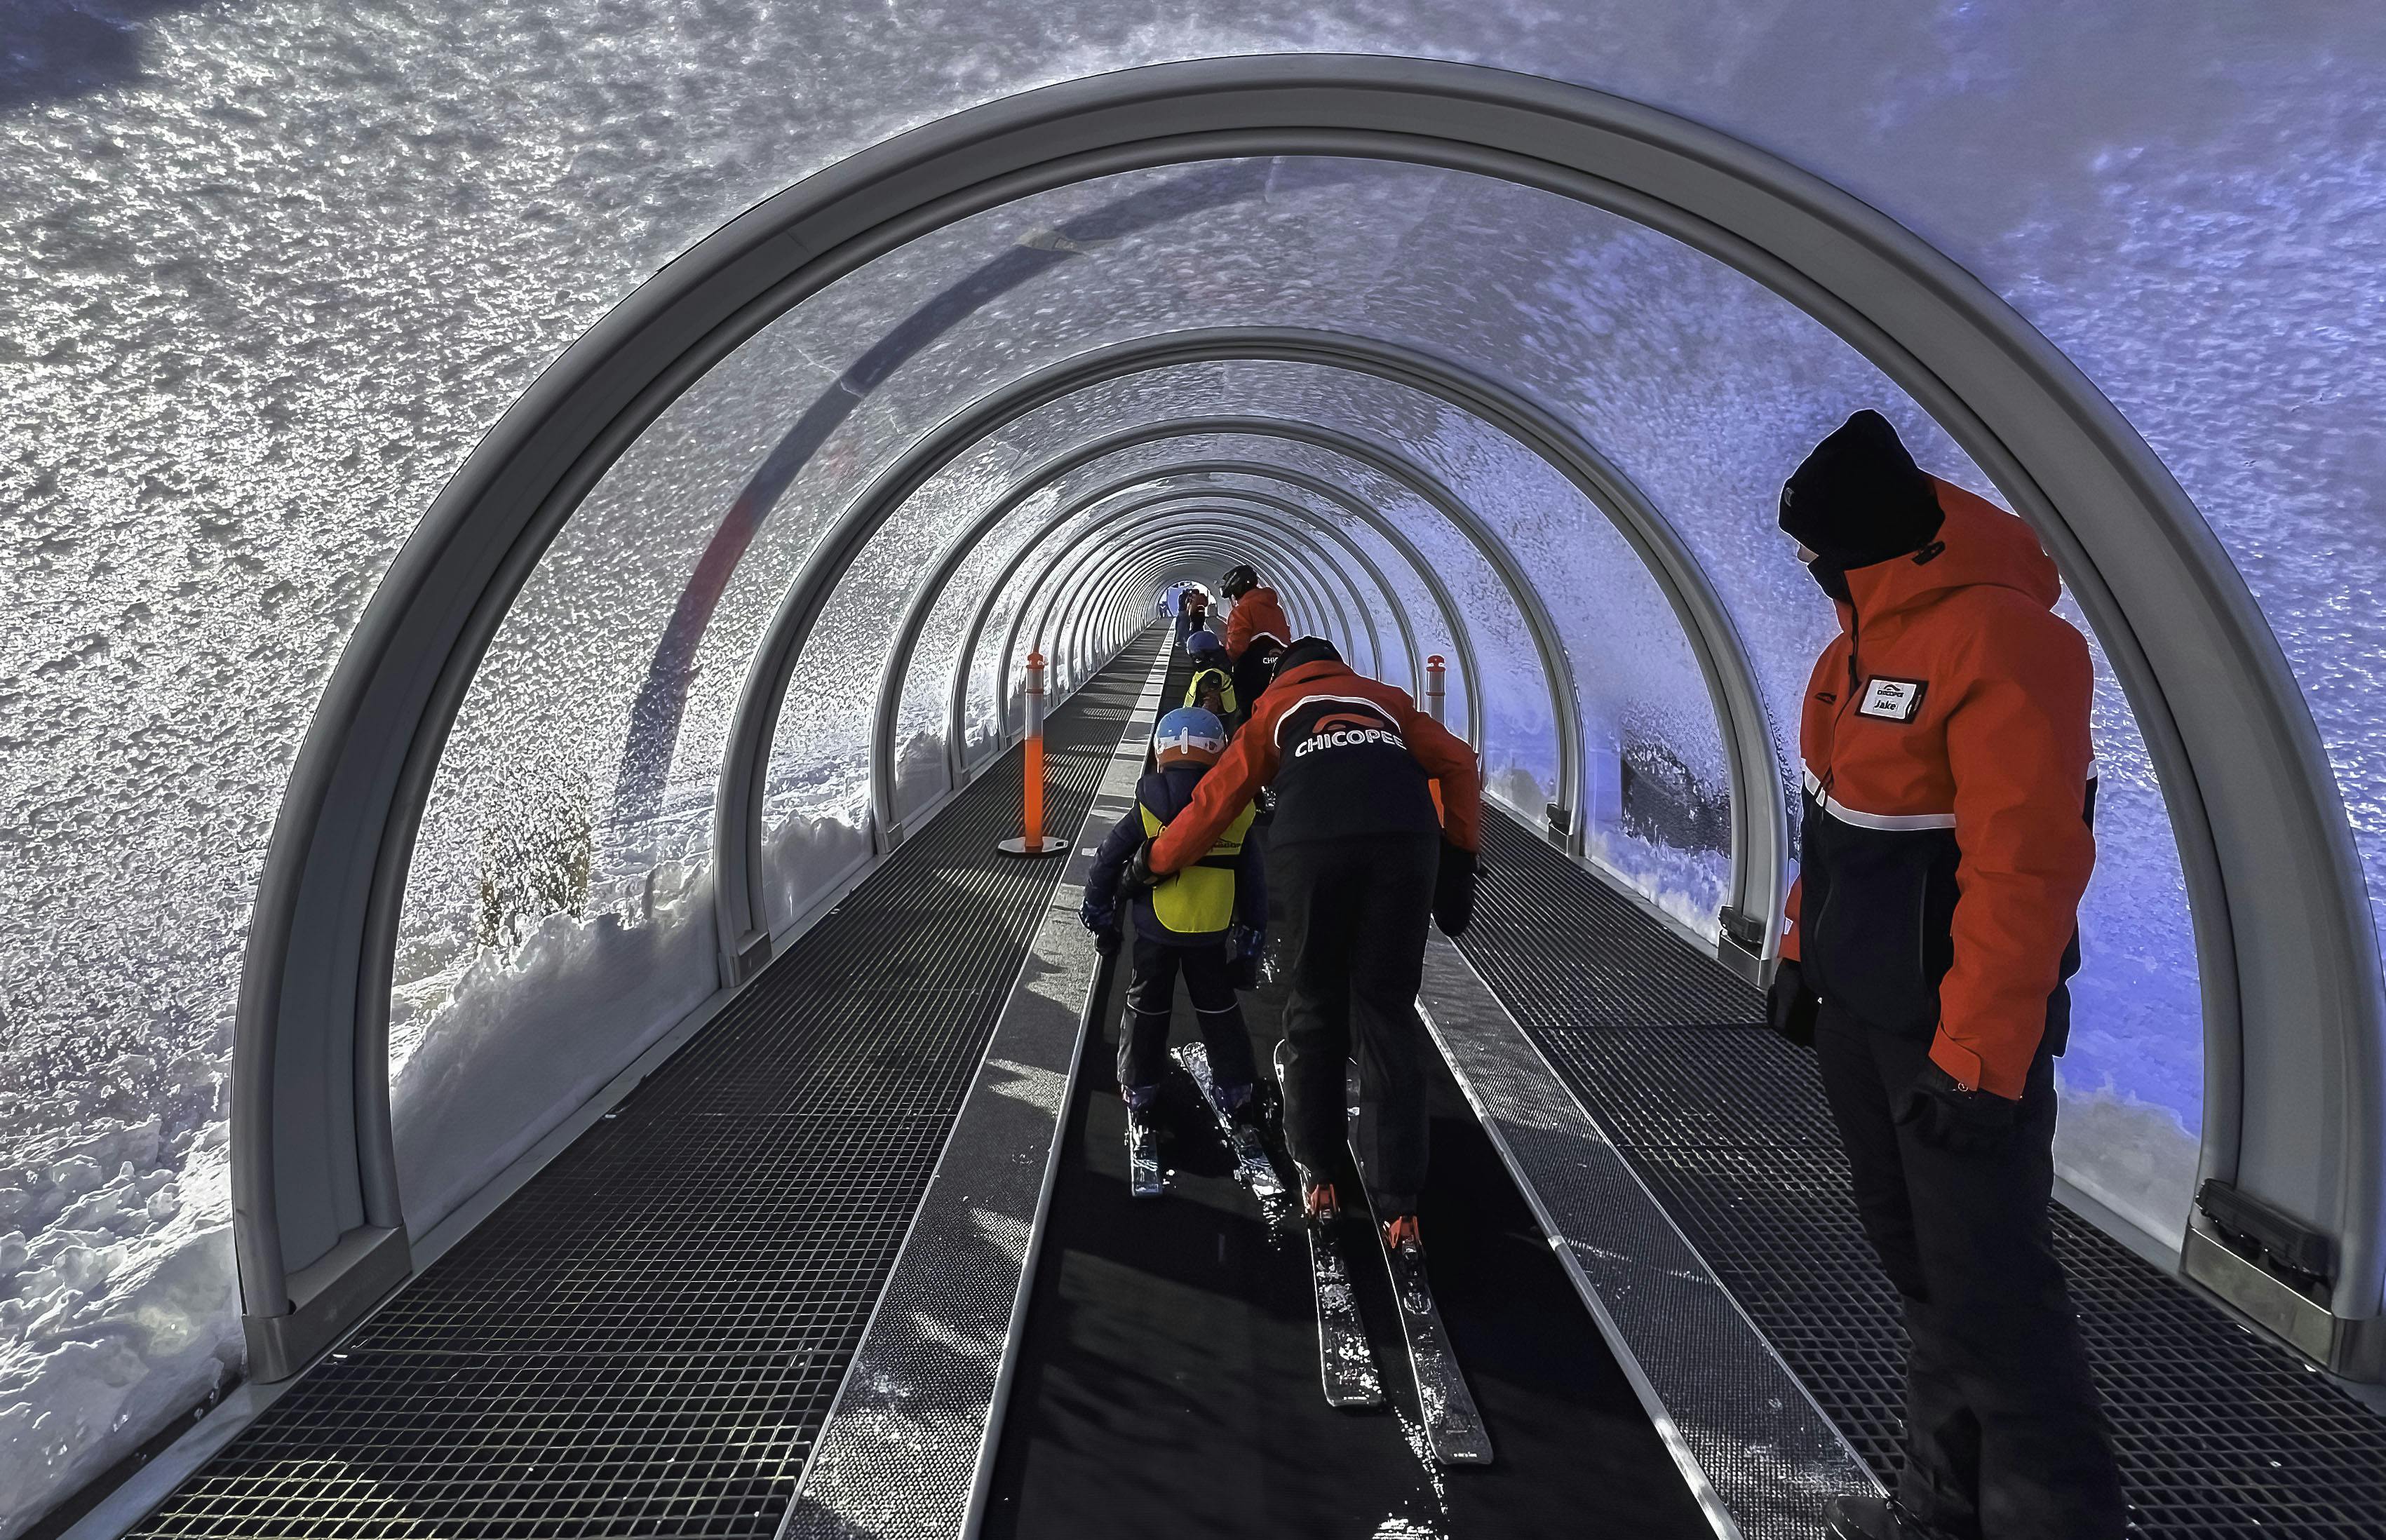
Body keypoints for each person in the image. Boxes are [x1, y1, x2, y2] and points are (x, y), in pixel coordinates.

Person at [1766, 410, 2124, 1540]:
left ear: (1856, 540)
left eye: (1811, 548)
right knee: (1924, 1280)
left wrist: (1976, 1059)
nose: (1804, 567)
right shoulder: (1849, 648)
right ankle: (1937, 1510)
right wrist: (1793, 949)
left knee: (1999, 1312)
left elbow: (2025, 864)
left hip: (1950, 1034)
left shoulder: (2005, 641)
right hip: (1859, 1015)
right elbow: (1826, 821)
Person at [1139, 637, 1480, 1267]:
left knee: (1317, 1000)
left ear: (1283, 675)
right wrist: (1460, 856)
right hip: (1406, 843)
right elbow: (1459, 760)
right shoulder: (1385, 701)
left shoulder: (1273, 709)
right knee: (1385, 1009)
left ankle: (1320, 1173)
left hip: (1314, 842)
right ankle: (1400, 1202)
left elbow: (1219, 798)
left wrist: (1155, 859)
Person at [1082, 707, 1268, 1147]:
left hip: (1155, 932)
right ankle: (1237, 1088)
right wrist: (1249, 946)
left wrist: (1099, 913)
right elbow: (1255, 885)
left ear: (1160, 752)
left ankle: (1140, 1088)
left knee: (1146, 1008)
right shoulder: (1236, 810)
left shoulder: (1148, 803)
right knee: (1219, 1008)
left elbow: (1108, 860)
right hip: (1211, 930)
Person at [1218, 564, 1292, 717]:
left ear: (1238, 589)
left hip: (1252, 674)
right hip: (1281, 668)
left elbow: (1236, 647)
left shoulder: (1242, 611)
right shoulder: (1276, 608)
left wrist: (1224, 663)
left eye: (1233, 594)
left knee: (1248, 714)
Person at [1183, 630, 1237, 720]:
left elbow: (1211, 703)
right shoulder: (1213, 667)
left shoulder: (1212, 675)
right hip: (1194, 714)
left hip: (1208, 720)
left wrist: (1197, 722)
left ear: (1200, 655)